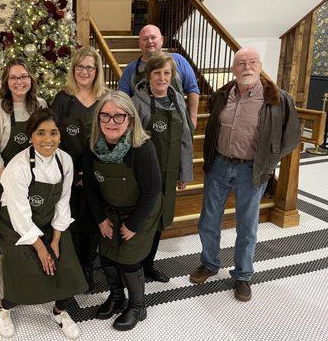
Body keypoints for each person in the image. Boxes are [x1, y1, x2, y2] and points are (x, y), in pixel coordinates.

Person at [189, 47, 299, 301]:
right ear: (233, 68)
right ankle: (209, 263)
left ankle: (243, 275)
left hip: (252, 170)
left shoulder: (278, 99)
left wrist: (268, 160)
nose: (246, 67)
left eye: (252, 62)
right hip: (218, 165)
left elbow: (290, 137)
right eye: (240, 63)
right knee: (208, 221)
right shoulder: (221, 95)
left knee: (247, 227)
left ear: (260, 66)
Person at [0, 108, 87, 339]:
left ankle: (60, 311)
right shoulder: (18, 167)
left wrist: (55, 240)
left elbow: (63, 202)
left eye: (53, 133)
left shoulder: (65, 161)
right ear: (31, 136)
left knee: (66, 269)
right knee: (27, 275)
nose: (48, 140)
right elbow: (19, 213)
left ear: (60, 136)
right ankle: (1, 307)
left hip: (50, 221)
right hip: (17, 225)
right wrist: (41, 248)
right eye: (41, 133)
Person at [82, 91, 161, 331]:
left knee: (128, 260)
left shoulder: (142, 148)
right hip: (110, 210)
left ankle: (138, 306)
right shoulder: (92, 147)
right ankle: (117, 297)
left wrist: (133, 225)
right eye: (105, 116)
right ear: (98, 119)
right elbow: (90, 188)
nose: (111, 122)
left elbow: (152, 192)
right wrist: (100, 219)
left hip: (141, 211)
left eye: (119, 116)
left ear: (130, 119)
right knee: (106, 254)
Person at [51, 46, 109, 290]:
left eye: (90, 67)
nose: (84, 71)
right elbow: (53, 138)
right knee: (71, 222)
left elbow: (112, 137)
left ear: (96, 72)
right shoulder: (63, 98)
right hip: (68, 174)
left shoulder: (105, 98)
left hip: (98, 172)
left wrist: (92, 172)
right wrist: (72, 173)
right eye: (80, 66)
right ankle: (72, 270)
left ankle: (88, 265)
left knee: (94, 221)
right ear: (73, 70)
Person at [132, 53, 193, 282]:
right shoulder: (137, 102)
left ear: (172, 76)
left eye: (166, 73)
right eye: (157, 72)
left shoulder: (177, 99)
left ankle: (149, 265)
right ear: (149, 75)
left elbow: (186, 138)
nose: (162, 77)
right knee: (143, 219)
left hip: (168, 174)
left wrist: (185, 172)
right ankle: (134, 265)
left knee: (159, 221)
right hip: (144, 175)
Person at [0, 58, 47, 214]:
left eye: (24, 76)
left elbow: (46, 145)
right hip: (6, 182)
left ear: (31, 79)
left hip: (36, 182)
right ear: (6, 81)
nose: (19, 81)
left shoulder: (41, 105)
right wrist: (11, 185)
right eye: (13, 77)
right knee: (11, 232)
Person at [117, 24, 200, 127]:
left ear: (161, 40)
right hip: (143, 129)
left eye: (153, 37)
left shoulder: (179, 60)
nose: (150, 42)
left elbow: (192, 90)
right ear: (140, 43)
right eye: (145, 39)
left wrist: (193, 120)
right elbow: (122, 99)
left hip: (177, 126)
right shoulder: (131, 69)